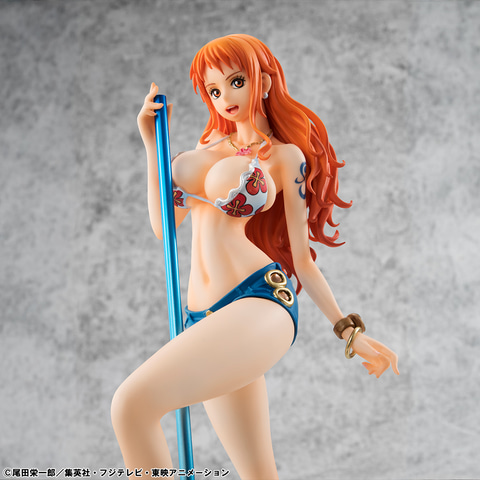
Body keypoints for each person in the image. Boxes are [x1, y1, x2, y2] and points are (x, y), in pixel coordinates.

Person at [111, 34, 399, 479]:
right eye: (213, 90)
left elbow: (303, 261)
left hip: (259, 302)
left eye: (236, 81)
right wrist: (152, 146)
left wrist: (348, 330)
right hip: (203, 317)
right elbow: (164, 228)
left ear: (263, 81)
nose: (225, 97)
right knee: (259, 474)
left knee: (131, 405)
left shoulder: (284, 157)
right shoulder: (207, 146)